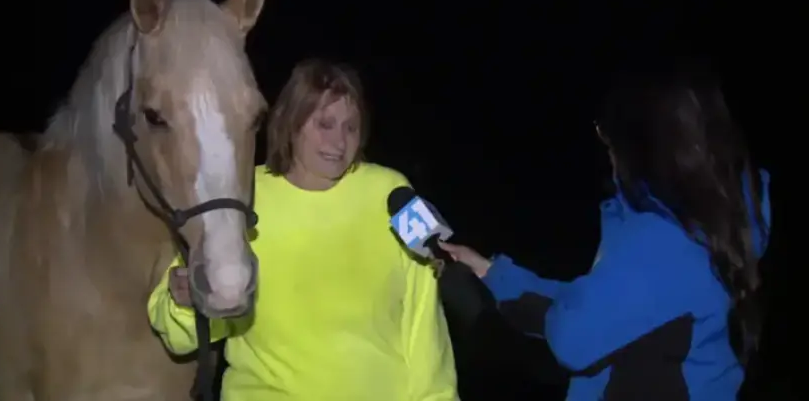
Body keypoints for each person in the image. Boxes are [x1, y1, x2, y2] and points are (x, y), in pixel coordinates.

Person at [440, 71, 771, 401]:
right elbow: (601, 307)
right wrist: (490, 271)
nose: (606, 147)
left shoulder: (661, 241)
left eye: (607, 133)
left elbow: (573, 335)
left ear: (642, 144)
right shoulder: (716, 220)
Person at [147, 58, 458, 401]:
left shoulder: (393, 193)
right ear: (291, 124)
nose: (339, 142)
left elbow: (425, 323)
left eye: (350, 127)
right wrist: (186, 304)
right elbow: (179, 334)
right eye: (325, 124)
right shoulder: (241, 198)